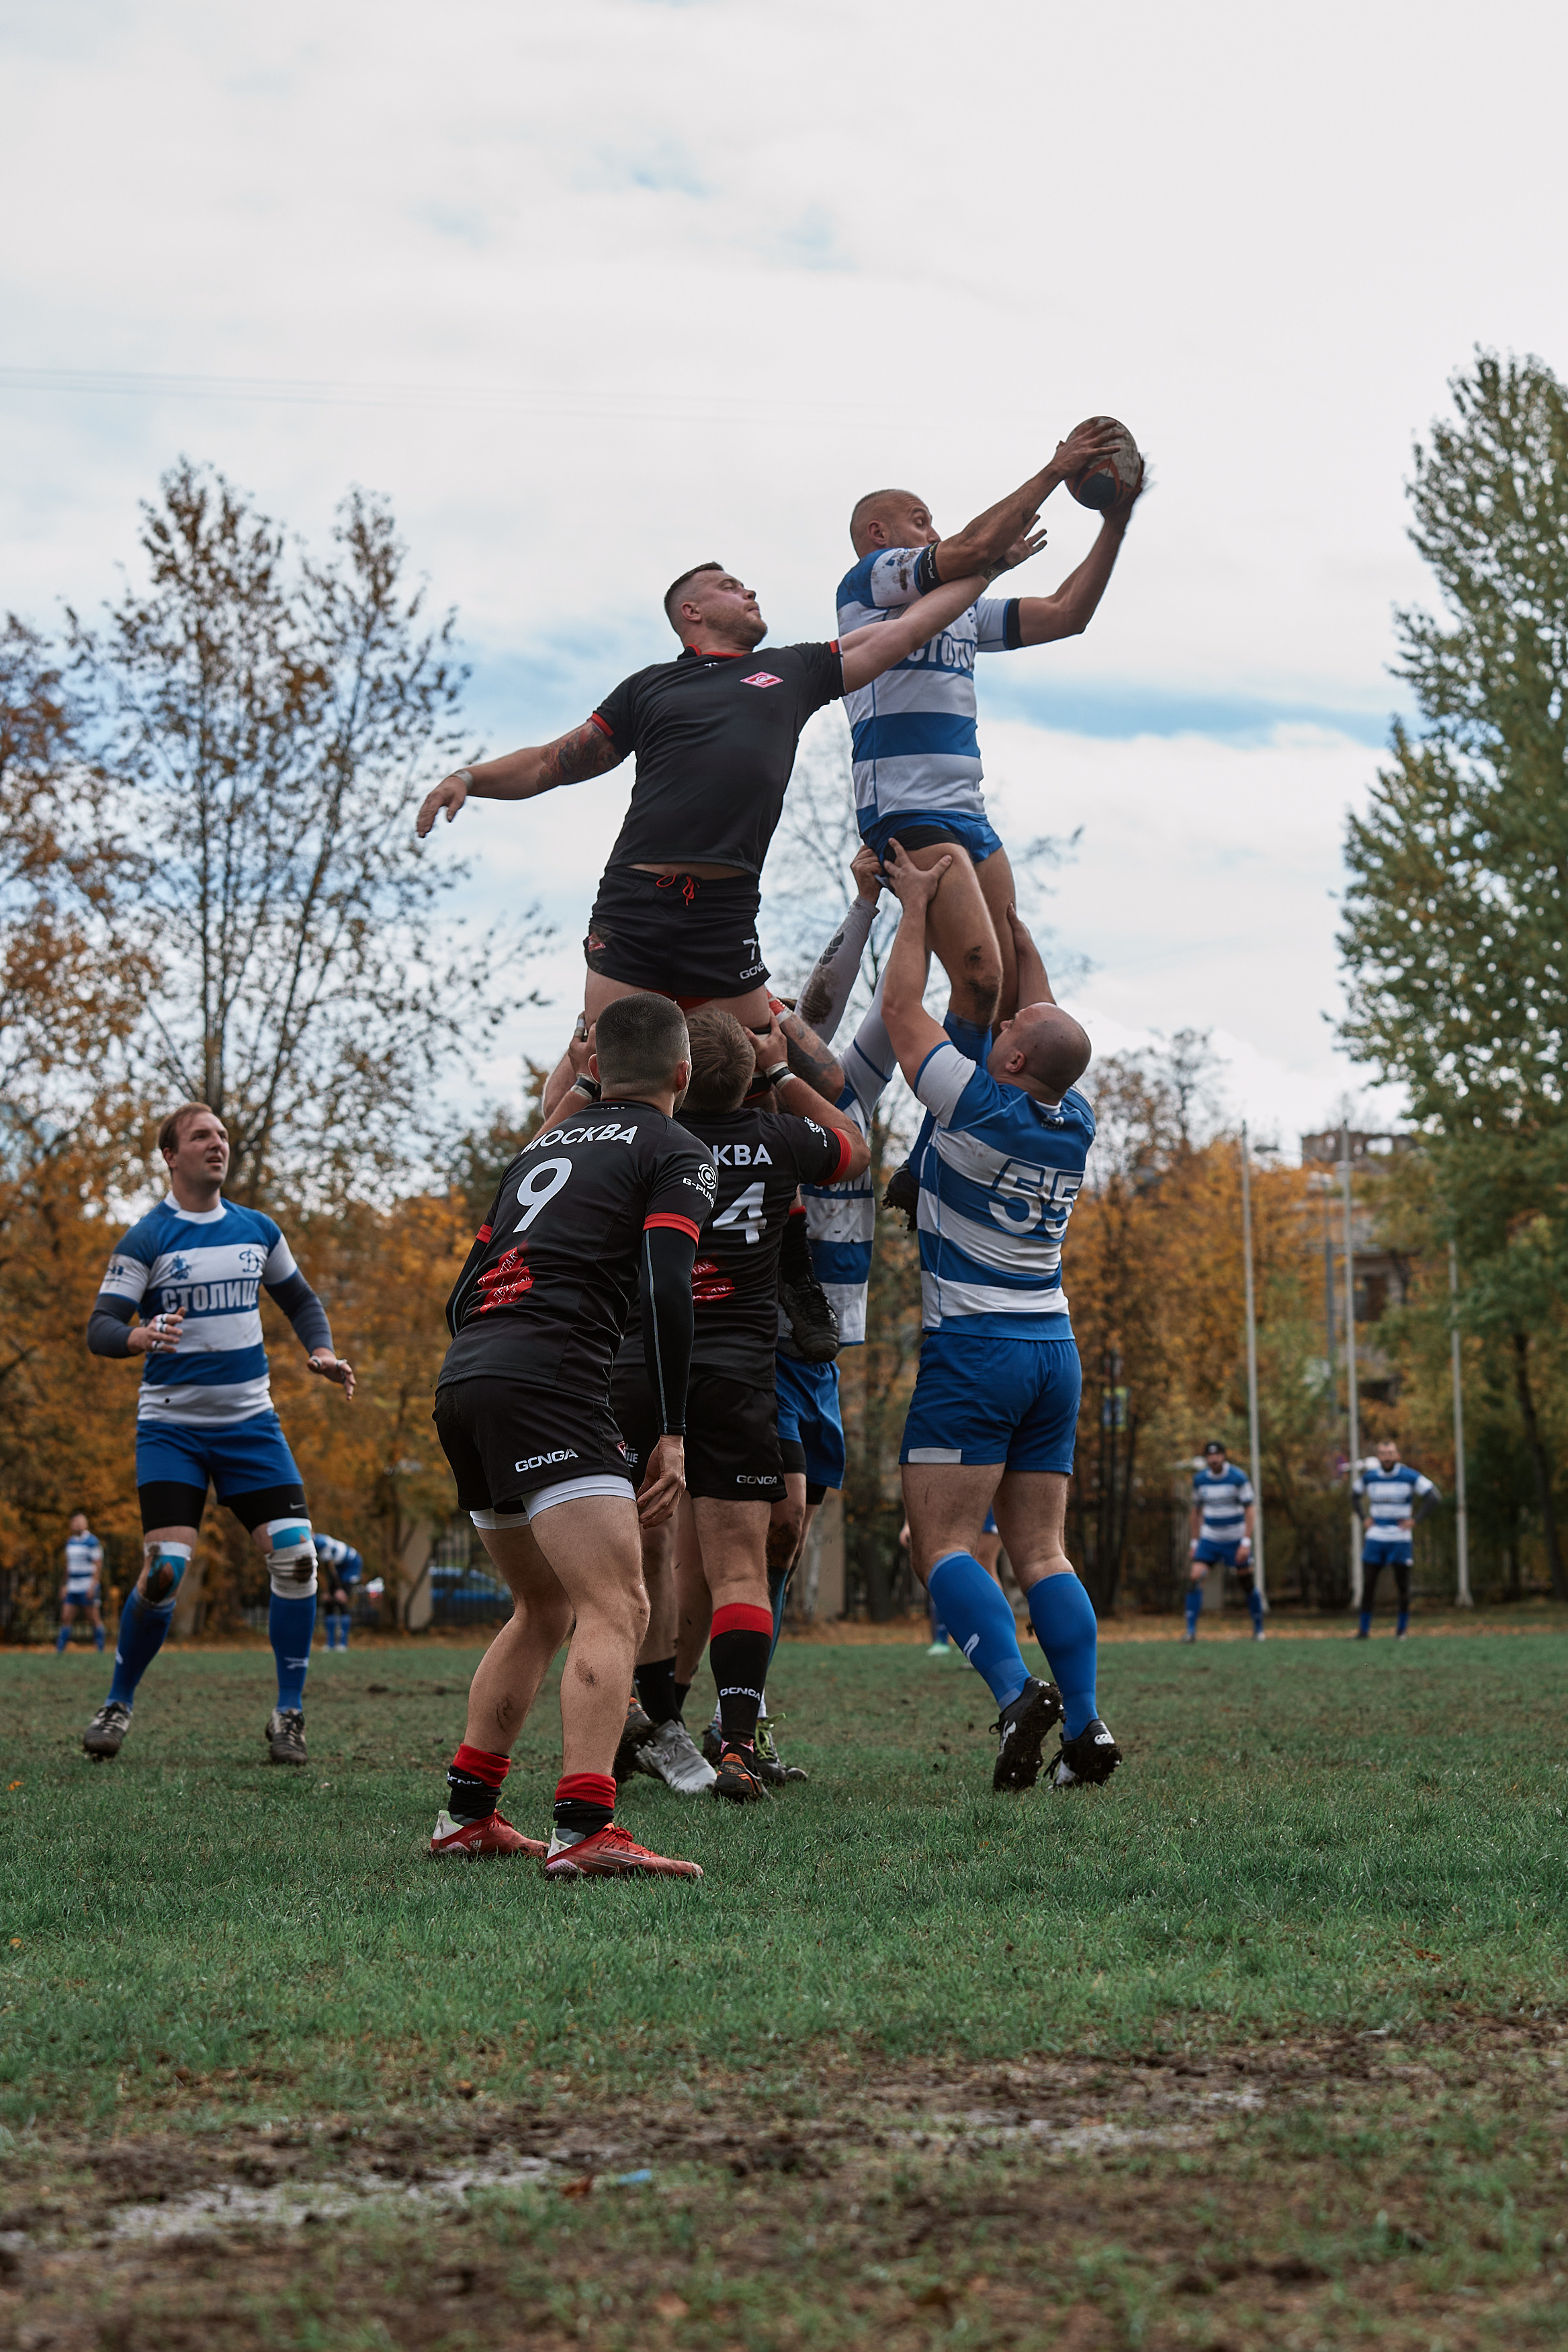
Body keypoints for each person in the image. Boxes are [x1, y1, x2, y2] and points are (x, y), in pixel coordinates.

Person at [414, 557, 994, 1027]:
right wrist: (468, 778)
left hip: (725, 913)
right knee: (610, 1079)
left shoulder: (795, 668)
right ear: (690, 611)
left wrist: (987, 570)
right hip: (635, 905)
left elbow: (909, 628)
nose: (749, 590)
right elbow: (549, 764)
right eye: (729, 586)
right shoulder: (649, 686)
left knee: (777, 1078)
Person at [427, 991, 717, 1879]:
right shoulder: (677, 1148)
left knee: (545, 1605)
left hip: (467, 1376)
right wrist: (669, 1430)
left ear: (593, 1067)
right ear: (683, 1071)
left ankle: (466, 1815)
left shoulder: (538, 1149)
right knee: (618, 1604)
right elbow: (671, 1289)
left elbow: (459, 1293)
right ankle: (585, 1825)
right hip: (547, 1380)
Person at [878, 841, 1119, 1794]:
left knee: (940, 1544)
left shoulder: (972, 1107)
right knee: (1042, 1550)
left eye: (1009, 1023)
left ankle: (1017, 1693)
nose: (1004, 1016)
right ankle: (1089, 1728)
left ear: (1008, 1055)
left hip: (974, 1348)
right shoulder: (1075, 1119)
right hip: (1051, 1349)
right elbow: (1045, 1025)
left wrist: (915, 906)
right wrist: (1007, 920)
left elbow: (901, 1014)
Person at [611, 1005, 867, 1804]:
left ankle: (640, 1717)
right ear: (752, 1077)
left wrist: (594, 1068)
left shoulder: (646, 1144)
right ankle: (737, 1745)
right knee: (736, 1573)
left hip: (641, 1367)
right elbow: (854, 1147)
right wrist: (784, 1067)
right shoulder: (780, 1137)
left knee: (635, 1564)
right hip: (735, 1376)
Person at [837, 429, 1143, 1028]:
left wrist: (1116, 523)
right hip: (905, 807)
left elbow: (1066, 614)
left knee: (1006, 996)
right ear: (879, 534)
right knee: (979, 976)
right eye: (920, 521)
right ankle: (947, 1123)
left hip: (969, 812)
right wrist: (1056, 471)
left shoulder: (961, 611)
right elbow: (974, 549)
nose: (934, 531)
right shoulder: (871, 583)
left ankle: (973, 1119)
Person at [81, 1104, 355, 1766]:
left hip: (250, 1426)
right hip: (172, 1428)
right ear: (170, 1156)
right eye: (201, 1135)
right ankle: (118, 1700)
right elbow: (100, 1326)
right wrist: (139, 1335)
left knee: (296, 1559)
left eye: (223, 1135)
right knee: (164, 1572)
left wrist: (319, 1350)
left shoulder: (257, 1229)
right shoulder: (146, 1238)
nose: (217, 1144)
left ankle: (288, 1714)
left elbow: (301, 1300)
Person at [1352, 1439, 1440, 1639]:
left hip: (1400, 1538)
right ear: (1378, 1456)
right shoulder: (1370, 1477)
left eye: (1391, 1453)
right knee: (1368, 1586)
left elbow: (1434, 1496)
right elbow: (1354, 1496)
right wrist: (1364, 1518)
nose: (1387, 1457)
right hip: (1376, 1537)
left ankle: (1402, 1631)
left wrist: (1415, 1520)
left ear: (1397, 1456)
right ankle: (1363, 1631)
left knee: (1403, 1586)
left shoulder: (1409, 1476)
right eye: (1383, 1453)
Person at [1186, 1441, 1261, 1641]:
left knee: (1246, 1581)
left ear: (1224, 1456)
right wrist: (1194, 1543)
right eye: (1210, 1456)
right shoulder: (1200, 1480)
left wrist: (1246, 1541)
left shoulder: (1238, 1478)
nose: (1214, 1459)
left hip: (1235, 1538)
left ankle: (1259, 1628)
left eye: (1217, 1455)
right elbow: (1196, 1512)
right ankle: (1190, 1631)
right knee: (1196, 1576)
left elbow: (1250, 1510)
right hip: (1210, 1538)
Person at [56, 1513, 105, 1654]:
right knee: (66, 1616)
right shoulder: (70, 1542)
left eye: (80, 1522)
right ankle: (60, 1649)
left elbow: (98, 1564)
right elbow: (68, 1566)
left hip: (87, 1583)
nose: (77, 1524)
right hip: (73, 1585)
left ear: (86, 1524)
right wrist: (64, 1585)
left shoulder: (92, 1541)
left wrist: (93, 1585)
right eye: (75, 1522)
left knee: (93, 1617)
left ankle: (100, 1647)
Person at [315, 1534, 365, 1652]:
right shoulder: (312, 1545)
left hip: (351, 1566)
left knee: (341, 1601)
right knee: (328, 1603)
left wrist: (340, 1589)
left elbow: (330, 1569)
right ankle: (330, 1643)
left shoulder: (322, 1544)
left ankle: (343, 1643)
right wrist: (327, 1591)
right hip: (338, 1568)